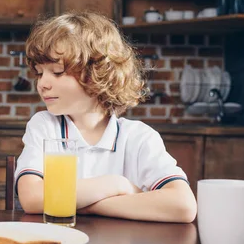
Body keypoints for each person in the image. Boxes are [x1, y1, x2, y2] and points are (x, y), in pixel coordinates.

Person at [15, 12, 197, 223]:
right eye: (39, 73)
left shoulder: (139, 137)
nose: (42, 83)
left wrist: (86, 206)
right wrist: (117, 185)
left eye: (56, 72)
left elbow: (183, 206)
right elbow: (32, 197)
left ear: (97, 74)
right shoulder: (44, 125)